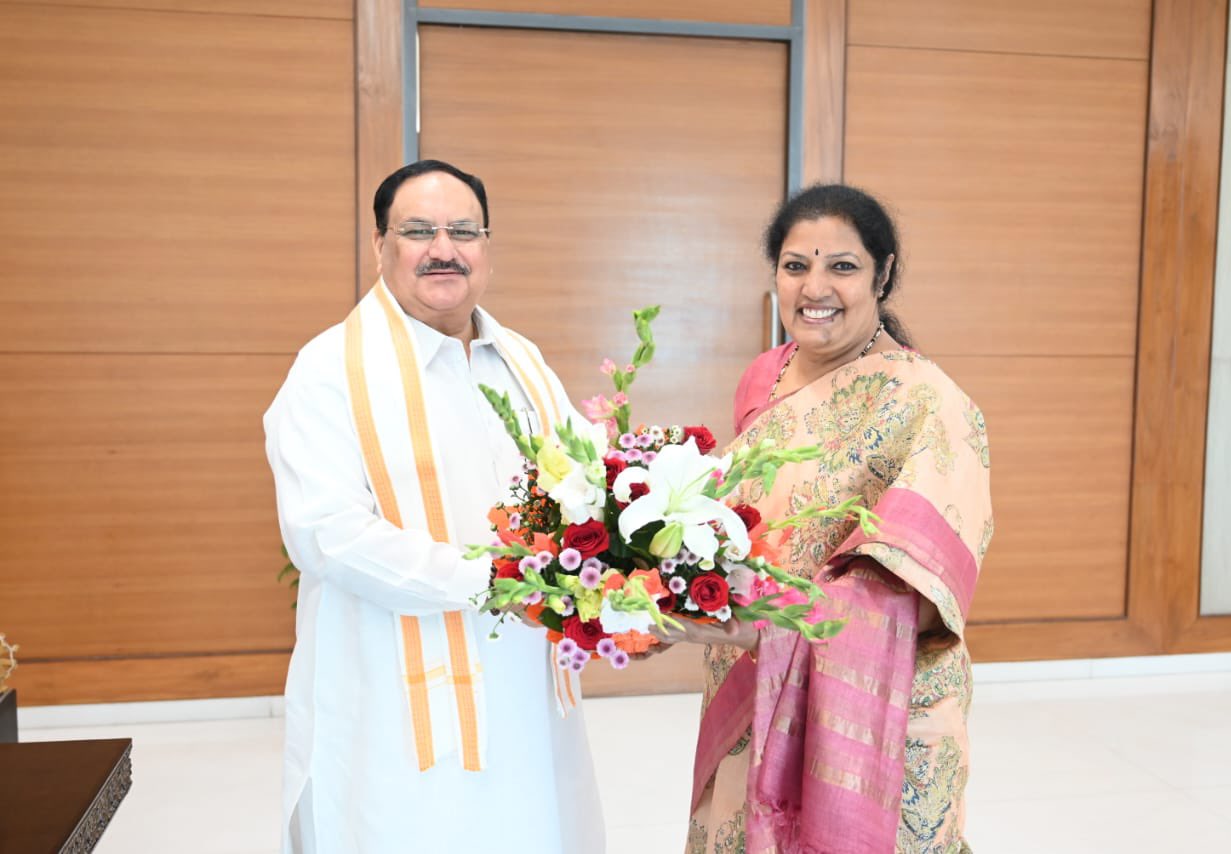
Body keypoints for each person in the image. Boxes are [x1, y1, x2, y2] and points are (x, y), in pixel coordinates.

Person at [264, 159, 604, 853]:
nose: (443, 250)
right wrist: (493, 581)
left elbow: (587, 478)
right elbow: (327, 534)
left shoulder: (522, 361)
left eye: (463, 232)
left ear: (487, 246)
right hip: (393, 693)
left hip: (526, 681)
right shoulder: (329, 372)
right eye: (418, 231)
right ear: (379, 245)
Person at [656, 184, 992, 852]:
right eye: (795, 266)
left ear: (882, 274)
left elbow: (920, 585)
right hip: (752, 682)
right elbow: (745, 519)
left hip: (875, 708)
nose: (815, 288)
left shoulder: (930, 403)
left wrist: (765, 625)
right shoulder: (765, 376)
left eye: (842, 266)